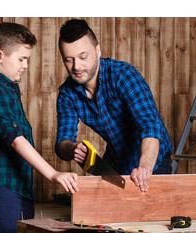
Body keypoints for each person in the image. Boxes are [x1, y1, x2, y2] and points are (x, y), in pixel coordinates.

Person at [0, 22, 78, 233]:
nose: (26, 65)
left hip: (18, 188)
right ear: (0, 56)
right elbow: (15, 138)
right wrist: (54, 174)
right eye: (22, 59)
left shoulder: (9, 89)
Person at [55, 19, 173, 193]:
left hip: (150, 158)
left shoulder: (123, 75)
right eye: (69, 60)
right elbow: (62, 143)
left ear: (97, 50)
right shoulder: (67, 94)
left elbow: (151, 125)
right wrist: (72, 148)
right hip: (117, 160)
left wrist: (145, 167)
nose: (76, 66)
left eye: (83, 57)